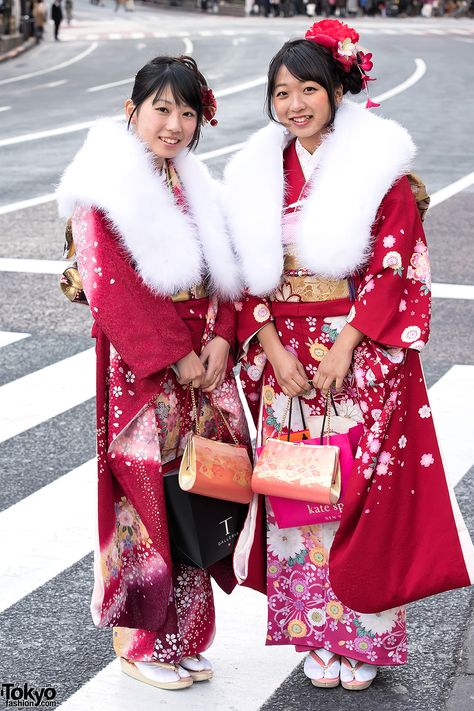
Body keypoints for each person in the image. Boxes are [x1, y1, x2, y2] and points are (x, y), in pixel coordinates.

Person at [223, 19, 474, 691]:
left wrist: (348, 346)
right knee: (297, 495)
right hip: (288, 363)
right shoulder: (257, 172)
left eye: (309, 88)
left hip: (354, 359)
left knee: (359, 495)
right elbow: (244, 274)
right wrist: (271, 347)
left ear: (338, 89)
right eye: (281, 93)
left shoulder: (376, 170)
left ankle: (362, 633)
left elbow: (395, 266)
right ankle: (315, 631)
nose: (295, 104)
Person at [56, 56, 249, 692]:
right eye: (161, 109)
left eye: (187, 112)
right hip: (145, 367)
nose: (175, 124)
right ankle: (142, 638)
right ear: (132, 110)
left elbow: (230, 274)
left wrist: (221, 338)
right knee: (146, 495)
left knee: (196, 489)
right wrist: (177, 353)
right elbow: (111, 287)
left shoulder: (198, 186)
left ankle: (188, 633)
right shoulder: (102, 187)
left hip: (202, 366)